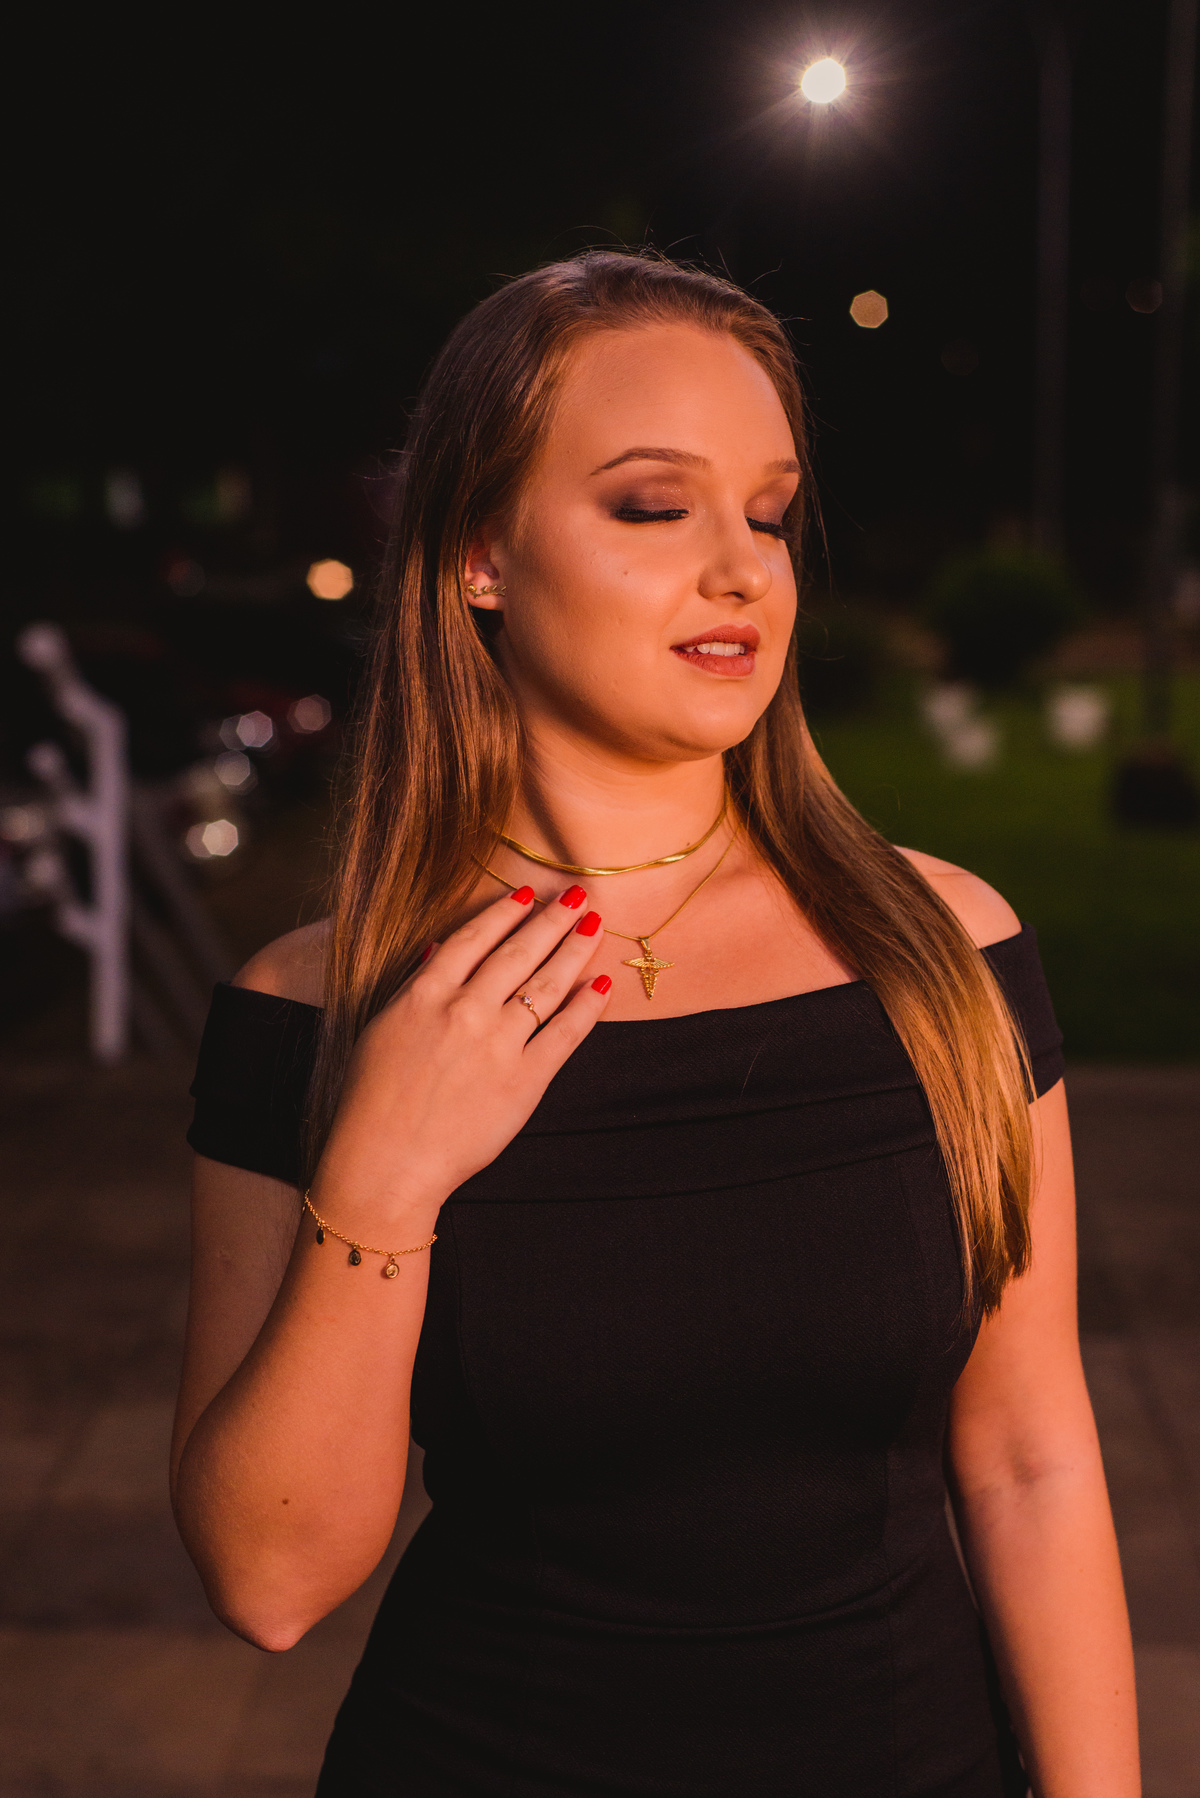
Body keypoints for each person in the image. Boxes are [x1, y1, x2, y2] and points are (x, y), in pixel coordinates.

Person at [171, 251, 1139, 1797]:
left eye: (768, 511)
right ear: (480, 555)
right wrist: (384, 1176)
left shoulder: (944, 952)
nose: (743, 569)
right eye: (651, 505)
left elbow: (1030, 1456)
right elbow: (269, 1581)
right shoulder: (316, 1007)